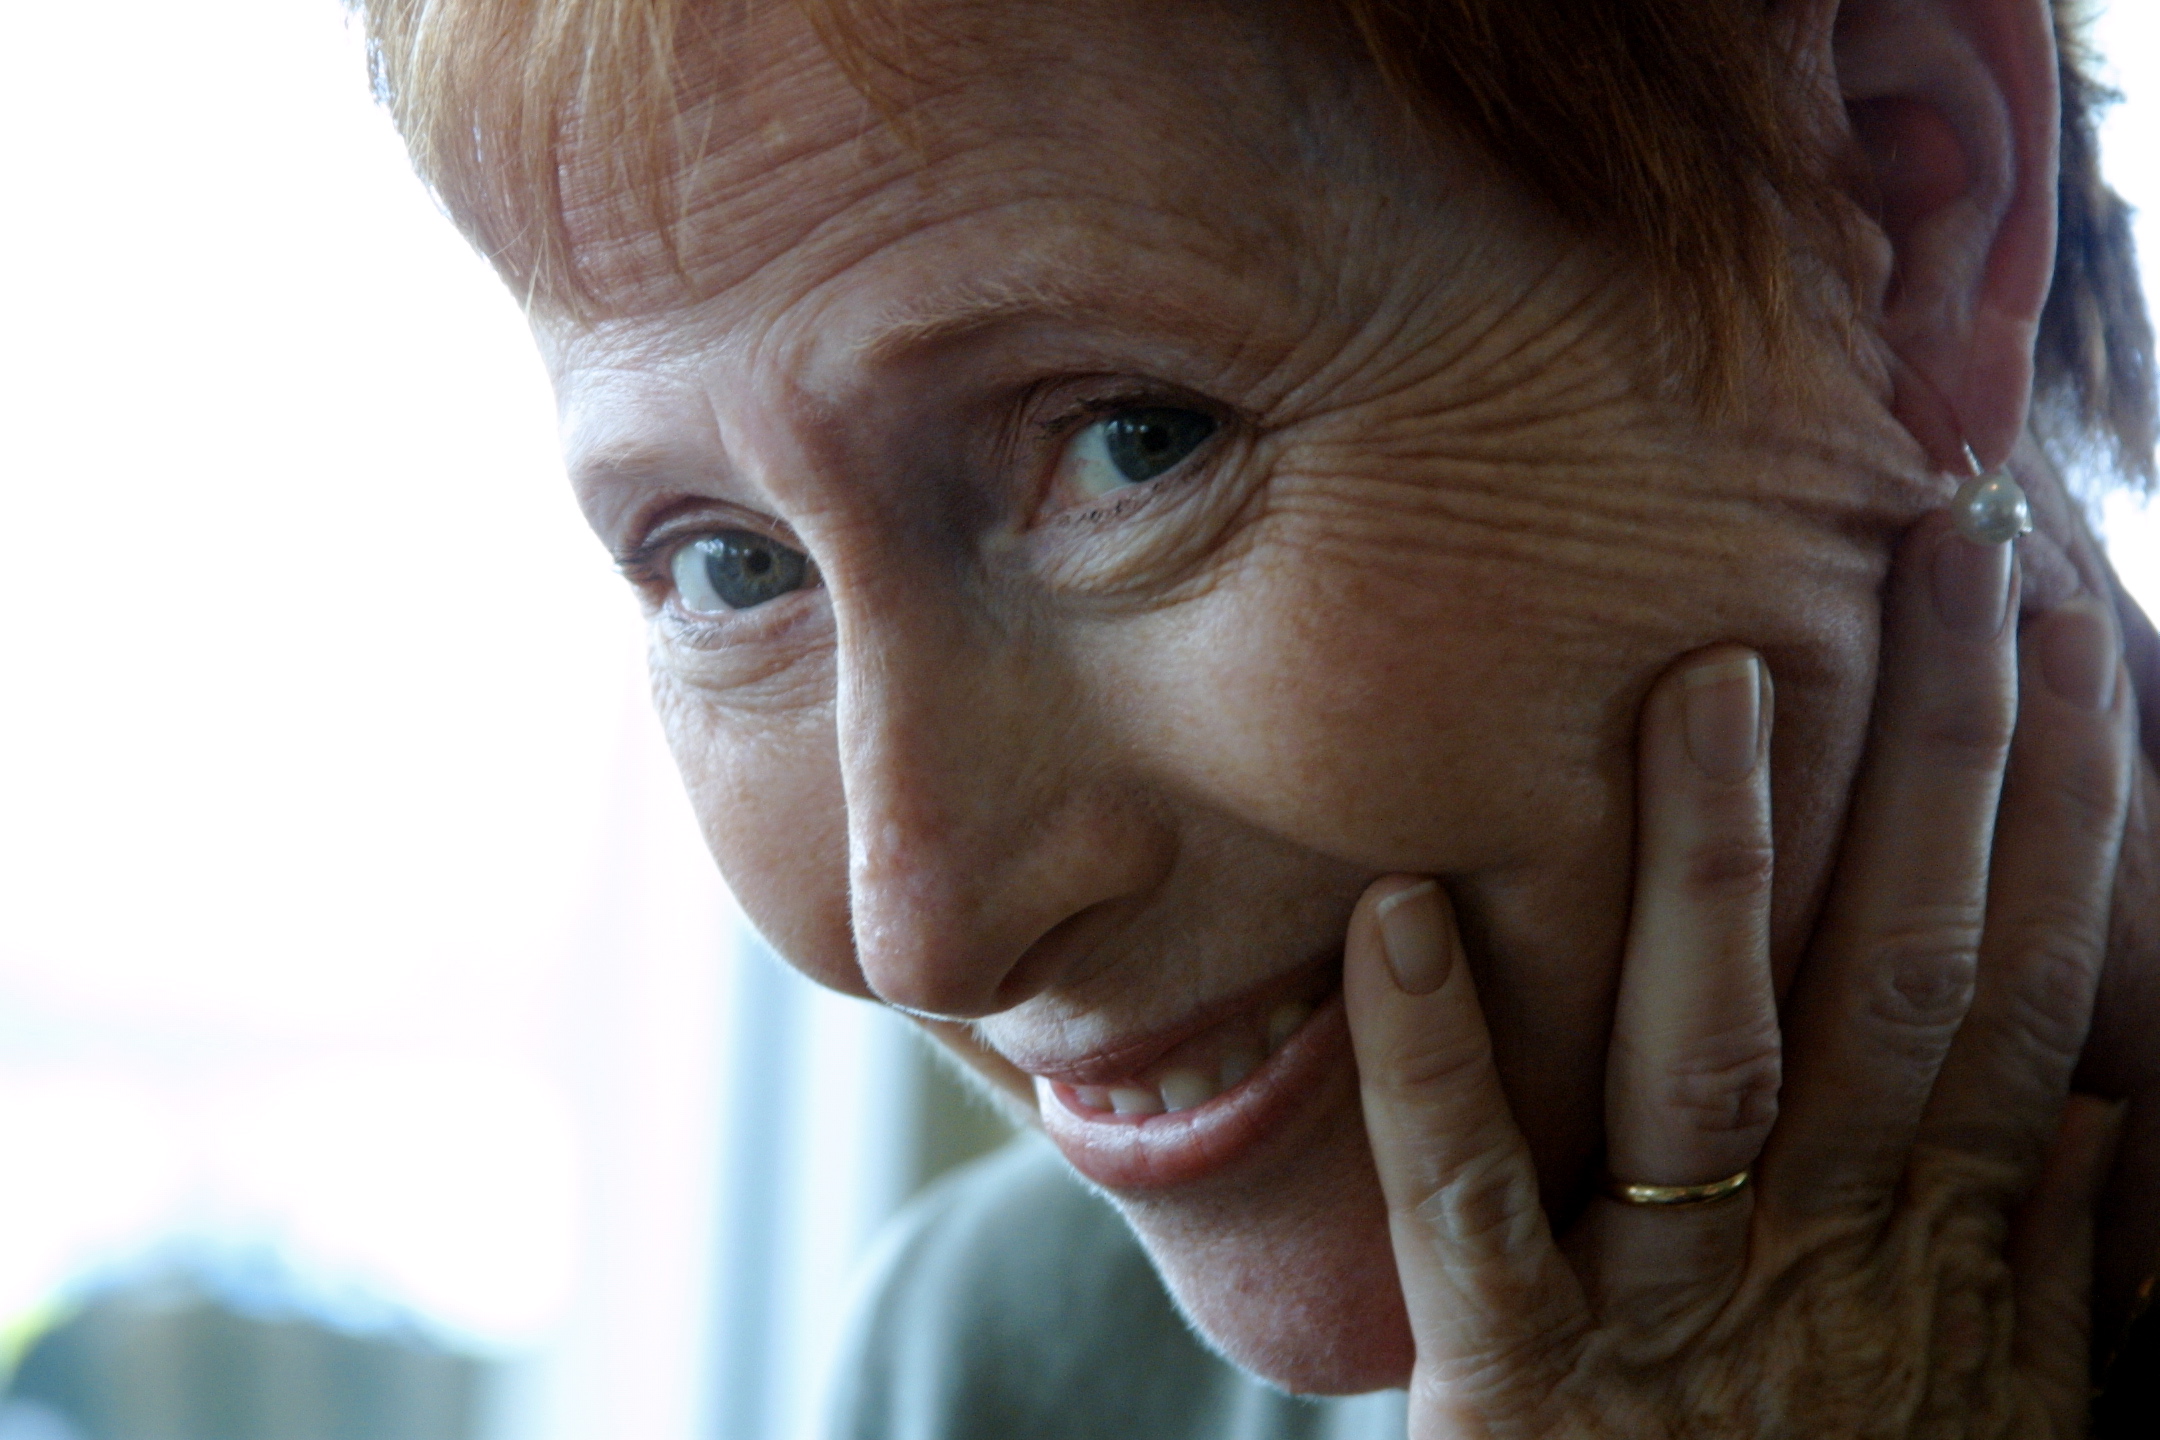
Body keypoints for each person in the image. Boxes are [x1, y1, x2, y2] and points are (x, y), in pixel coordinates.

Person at [349, 0, 2160, 1431]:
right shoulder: (999, 1369)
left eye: (1134, 441)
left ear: (1901, 205)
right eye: (735, 569)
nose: (924, 927)